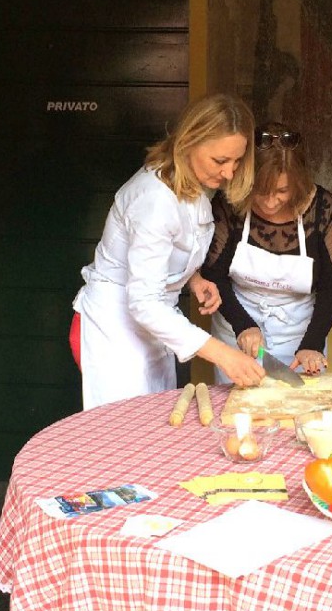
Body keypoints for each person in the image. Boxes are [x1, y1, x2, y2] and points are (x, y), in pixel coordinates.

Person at [72, 93, 265, 409]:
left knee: (157, 421)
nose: (230, 173)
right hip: (115, 329)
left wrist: (193, 279)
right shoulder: (154, 199)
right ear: (189, 141)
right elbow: (144, 300)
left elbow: (166, 249)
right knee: (125, 429)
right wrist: (222, 354)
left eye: (237, 161)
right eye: (220, 161)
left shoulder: (191, 184)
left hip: (154, 325)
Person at [203, 122, 332, 381]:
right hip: (238, 335)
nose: (270, 202)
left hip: (301, 339)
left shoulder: (323, 209)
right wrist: (242, 324)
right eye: (260, 191)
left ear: (298, 181)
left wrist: (312, 343)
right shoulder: (230, 203)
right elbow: (214, 276)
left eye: (282, 191)